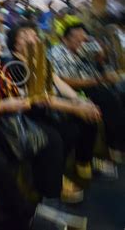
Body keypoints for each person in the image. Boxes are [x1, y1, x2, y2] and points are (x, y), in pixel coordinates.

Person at [0, 23, 85, 229]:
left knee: (53, 138)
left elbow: (18, 94)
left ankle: (50, 203)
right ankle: (29, 214)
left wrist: (75, 102)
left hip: (6, 122)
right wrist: (9, 103)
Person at [6, 22, 103, 200]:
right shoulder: (13, 65)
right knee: (55, 137)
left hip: (45, 109)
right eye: (26, 34)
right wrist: (76, 108)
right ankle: (50, 188)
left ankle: (77, 164)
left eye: (33, 34)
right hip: (23, 116)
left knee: (77, 126)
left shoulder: (38, 58)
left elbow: (57, 81)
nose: (33, 37)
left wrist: (79, 100)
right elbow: (37, 99)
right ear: (15, 43)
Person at [50, 23, 125, 165]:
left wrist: (100, 54)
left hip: (93, 83)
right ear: (65, 39)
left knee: (120, 93)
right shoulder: (57, 52)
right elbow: (64, 81)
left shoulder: (83, 48)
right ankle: (114, 147)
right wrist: (99, 80)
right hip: (76, 89)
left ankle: (117, 143)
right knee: (109, 99)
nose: (82, 42)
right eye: (77, 39)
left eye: (84, 39)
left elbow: (102, 59)